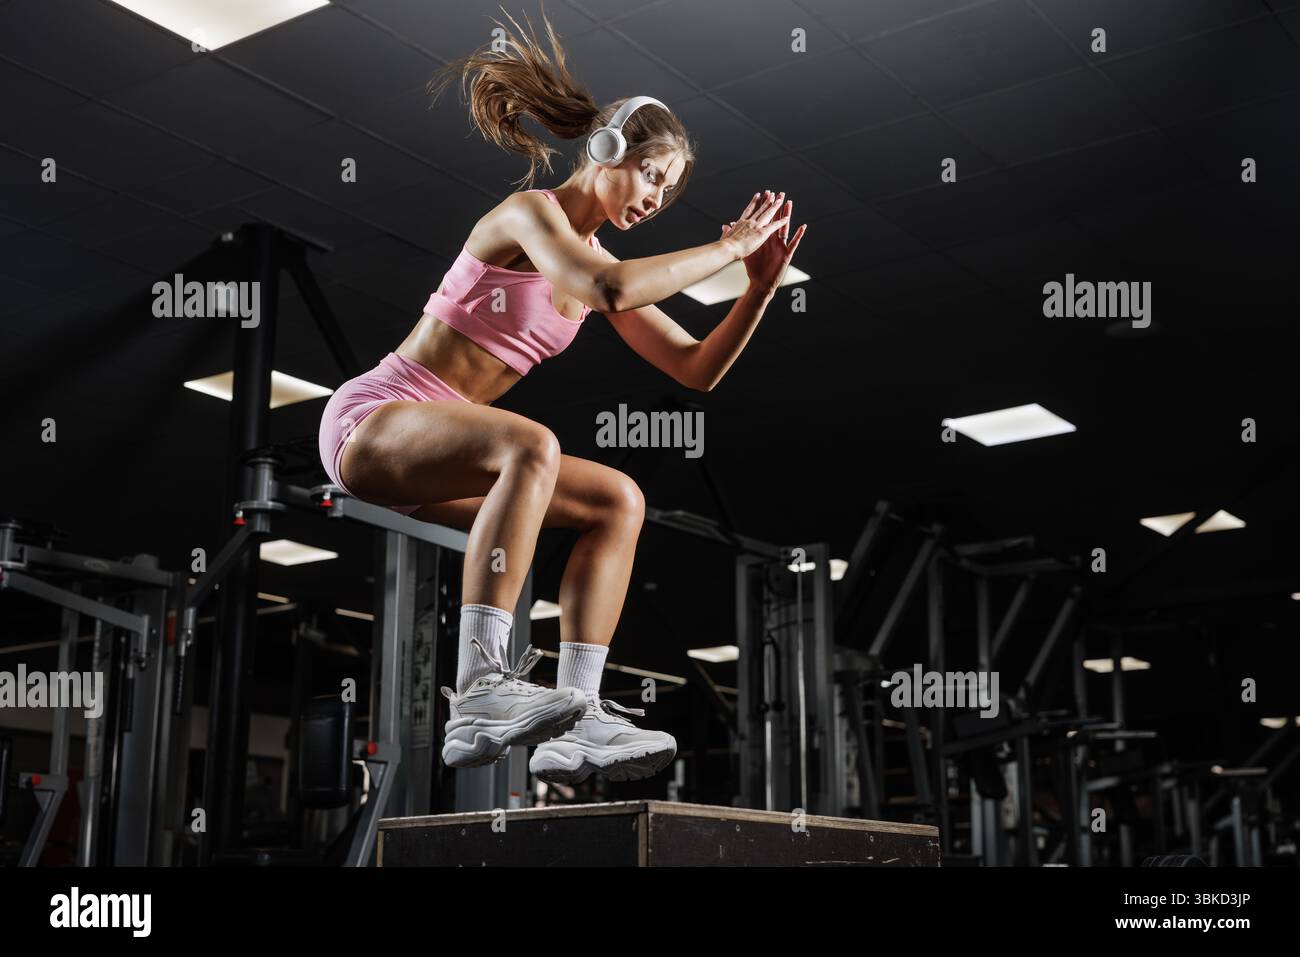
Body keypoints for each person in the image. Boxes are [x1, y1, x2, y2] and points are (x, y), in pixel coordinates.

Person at [317, 7, 805, 784]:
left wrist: (757, 288)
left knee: (619, 499)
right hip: (372, 421)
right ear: (606, 150)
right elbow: (604, 288)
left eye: (671, 190)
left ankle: (577, 720)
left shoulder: (596, 259)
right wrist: (724, 246)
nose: (656, 197)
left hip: (444, 456)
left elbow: (697, 369)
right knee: (530, 443)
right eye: (651, 174)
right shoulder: (531, 215)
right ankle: (480, 686)